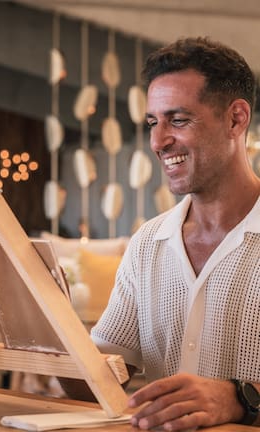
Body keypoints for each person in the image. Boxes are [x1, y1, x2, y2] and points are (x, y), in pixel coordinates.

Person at [89, 37, 260, 430]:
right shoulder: (147, 242)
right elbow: (100, 380)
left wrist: (239, 398)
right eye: (152, 122)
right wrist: (52, 324)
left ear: (236, 119)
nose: (157, 141)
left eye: (178, 120)